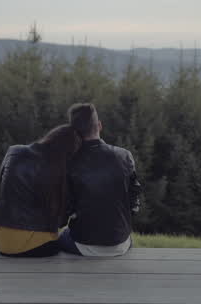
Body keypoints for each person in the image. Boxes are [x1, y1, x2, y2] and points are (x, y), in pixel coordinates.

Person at [58, 102, 142, 257]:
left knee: (61, 236)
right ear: (100, 125)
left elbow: (63, 212)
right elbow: (134, 199)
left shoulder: (68, 162)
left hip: (83, 245)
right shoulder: (125, 156)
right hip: (121, 243)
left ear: (74, 132)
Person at [0, 124, 79, 257]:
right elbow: (62, 221)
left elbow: (0, 187)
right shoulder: (59, 171)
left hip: (2, 243)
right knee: (67, 241)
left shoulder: (14, 151)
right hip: (36, 247)